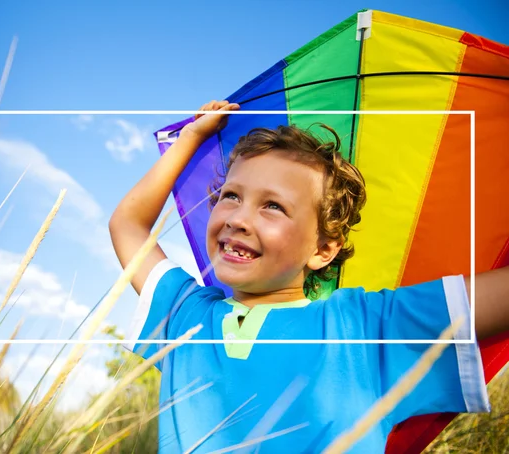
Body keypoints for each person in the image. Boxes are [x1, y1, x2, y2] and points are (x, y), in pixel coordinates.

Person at [109, 101, 509, 453]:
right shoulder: (185, 315)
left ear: (323, 250)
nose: (238, 219)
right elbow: (128, 224)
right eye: (231, 195)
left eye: (273, 206)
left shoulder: (366, 326)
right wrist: (192, 137)